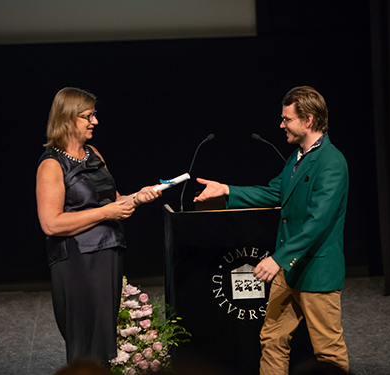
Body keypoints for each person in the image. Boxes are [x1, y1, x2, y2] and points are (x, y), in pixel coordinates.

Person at [194, 86, 349, 373]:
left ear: (309, 120)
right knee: (273, 337)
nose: (281, 125)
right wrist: (226, 190)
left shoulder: (331, 163)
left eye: (287, 119)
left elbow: (319, 222)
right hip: (288, 270)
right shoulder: (297, 158)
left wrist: (278, 258)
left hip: (315, 270)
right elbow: (274, 192)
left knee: (327, 349)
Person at [36, 87, 162, 364]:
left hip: (108, 252)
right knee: (85, 339)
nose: (95, 122)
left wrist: (138, 197)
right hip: (77, 261)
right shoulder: (52, 165)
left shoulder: (93, 153)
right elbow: (51, 224)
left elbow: (114, 202)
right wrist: (106, 212)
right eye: (88, 116)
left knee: (104, 339)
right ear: (68, 119)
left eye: (94, 115)